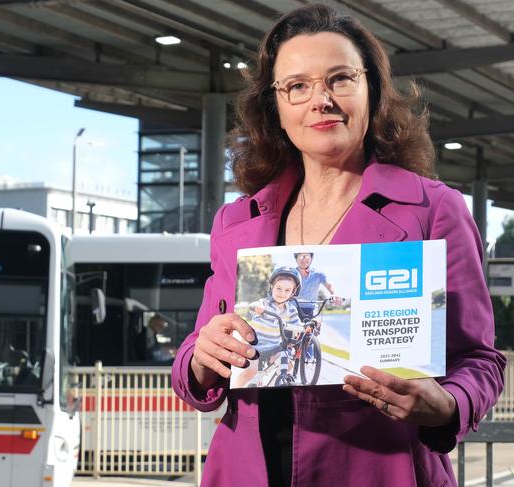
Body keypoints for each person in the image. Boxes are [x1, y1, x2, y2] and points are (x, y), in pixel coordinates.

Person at [171, 4, 506, 487]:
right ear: (276, 107)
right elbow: (197, 356)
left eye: (340, 79)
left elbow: (480, 359)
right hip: (247, 472)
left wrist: (448, 405)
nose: (320, 100)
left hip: (382, 470)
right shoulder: (235, 222)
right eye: (298, 86)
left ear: (373, 92)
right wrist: (202, 358)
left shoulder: (434, 210)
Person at [233, 267, 301, 388]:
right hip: (255, 347)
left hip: (274, 348)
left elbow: (297, 325)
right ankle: (235, 388)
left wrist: (301, 330)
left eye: (287, 290)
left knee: (287, 365)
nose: (282, 293)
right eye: (278, 288)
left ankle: (271, 380)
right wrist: (257, 308)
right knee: (250, 371)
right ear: (272, 287)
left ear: (293, 292)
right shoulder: (264, 303)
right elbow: (255, 304)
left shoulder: (291, 310)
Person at [294, 252, 335, 317]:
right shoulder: (291, 273)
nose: (304, 259)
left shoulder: (318, 274)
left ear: (311, 258)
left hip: (312, 308)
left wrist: (334, 295)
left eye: (307, 256)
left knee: (314, 324)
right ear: (296, 259)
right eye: (301, 256)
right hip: (294, 308)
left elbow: (330, 287)